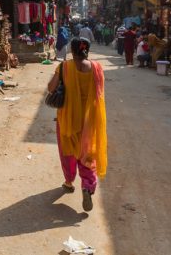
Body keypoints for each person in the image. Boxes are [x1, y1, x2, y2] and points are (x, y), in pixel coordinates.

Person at [46, 38, 108, 212]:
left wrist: (59, 77)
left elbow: (51, 89)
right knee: (87, 153)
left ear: (72, 51)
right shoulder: (97, 68)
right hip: (89, 120)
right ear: (87, 50)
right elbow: (99, 94)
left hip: (67, 118)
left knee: (68, 151)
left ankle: (69, 181)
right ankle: (87, 186)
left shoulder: (64, 67)